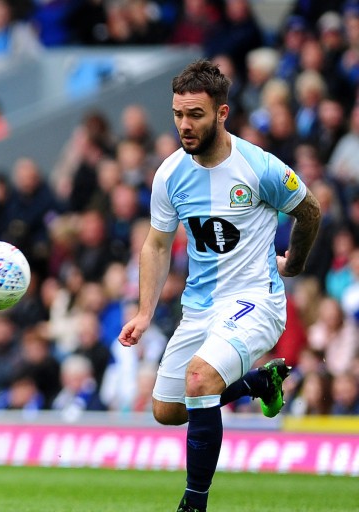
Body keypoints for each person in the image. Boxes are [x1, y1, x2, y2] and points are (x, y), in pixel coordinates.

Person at [118, 60, 321, 512]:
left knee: (199, 379)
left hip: (255, 301)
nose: (184, 125)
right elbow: (155, 245)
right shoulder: (170, 174)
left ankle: (194, 504)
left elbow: (309, 210)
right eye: (178, 114)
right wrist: (144, 312)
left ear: (222, 113)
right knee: (167, 410)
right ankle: (257, 384)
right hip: (200, 308)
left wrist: (294, 264)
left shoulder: (259, 167)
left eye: (195, 115)